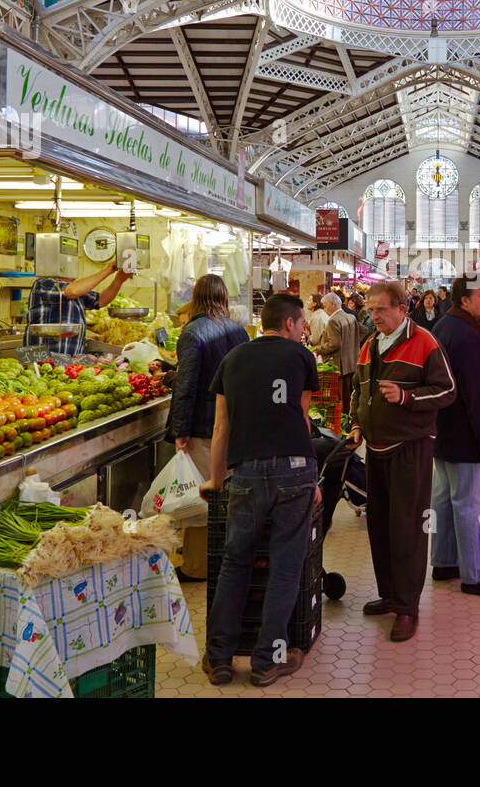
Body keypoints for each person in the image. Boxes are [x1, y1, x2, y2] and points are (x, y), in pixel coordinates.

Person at [198, 293, 321, 687]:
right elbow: (300, 418)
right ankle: (267, 661)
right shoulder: (302, 357)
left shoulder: (232, 359)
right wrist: (312, 479)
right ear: (289, 324)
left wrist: (217, 480)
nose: (304, 330)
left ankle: (218, 658)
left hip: (246, 473)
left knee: (235, 563)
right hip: (295, 470)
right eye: (302, 324)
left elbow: (221, 427)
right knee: (286, 566)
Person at [348, 280, 456, 642]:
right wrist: (356, 422)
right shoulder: (369, 345)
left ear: (402, 308)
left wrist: (407, 396)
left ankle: (408, 607)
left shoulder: (424, 342)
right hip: (376, 449)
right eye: (370, 308)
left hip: (410, 448)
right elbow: (357, 390)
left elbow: (447, 390)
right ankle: (390, 595)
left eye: (381, 309)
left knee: (408, 528)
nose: (373, 315)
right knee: (380, 525)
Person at [429, 276, 480, 599]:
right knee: (467, 504)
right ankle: (475, 576)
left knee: (444, 500)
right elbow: (477, 396)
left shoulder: (444, 328)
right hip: (464, 437)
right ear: (464, 300)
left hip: (443, 433)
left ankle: (444, 561)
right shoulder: (466, 336)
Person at [165, 274, 249, 581]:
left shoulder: (193, 332)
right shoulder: (239, 331)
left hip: (204, 425)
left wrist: (180, 430)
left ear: (196, 297)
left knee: (201, 497)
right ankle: (230, 557)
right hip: (234, 424)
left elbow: (186, 385)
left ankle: (198, 566)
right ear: (224, 297)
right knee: (229, 492)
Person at [25, 259, 133, 356]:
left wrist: (119, 280)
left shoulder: (76, 289)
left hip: (69, 360)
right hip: (42, 359)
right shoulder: (43, 284)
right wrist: (108, 270)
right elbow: (72, 291)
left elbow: (101, 301)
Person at [316, 291, 359, 414]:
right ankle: (348, 419)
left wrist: (318, 349)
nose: (324, 309)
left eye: (325, 305)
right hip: (350, 364)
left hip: (338, 365)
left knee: (339, 399)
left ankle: (342, 423)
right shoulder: (350, 317)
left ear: (333, 304)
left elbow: (334, 344)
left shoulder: (333, 321)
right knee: (347, 397)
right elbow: (362, 331)